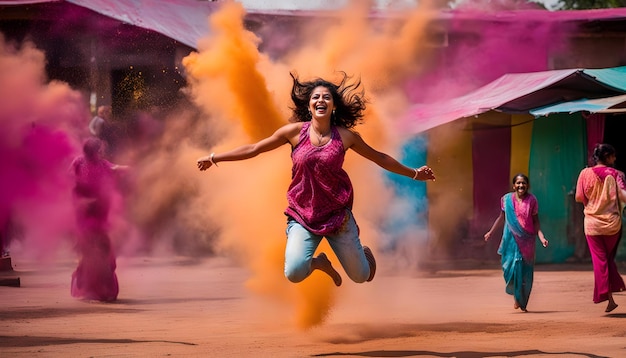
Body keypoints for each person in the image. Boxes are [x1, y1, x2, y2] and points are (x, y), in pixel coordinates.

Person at [197, 72, 435, 286]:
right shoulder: (293, 133)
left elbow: (379, 157)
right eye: (315, 97)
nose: (320, 100)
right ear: (309, 106)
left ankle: (365, 257)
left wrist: (414, 173)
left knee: (361, 276)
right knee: (294, 272)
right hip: (303, 216)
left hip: (337, 216)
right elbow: (255, 148)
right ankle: (320, 263)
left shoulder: (345, 136)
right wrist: (214, 157)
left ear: (333, 107)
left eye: (326, 98)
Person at [70, 138, 127, 301]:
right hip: (85, 214)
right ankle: (90, 286)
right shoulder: (79, 163)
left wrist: (130, 168)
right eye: (98, 150)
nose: (100, 153)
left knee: (101, 249)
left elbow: (115, 168)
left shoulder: (102, 164)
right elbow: (70, 179)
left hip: (99, 213)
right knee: (88, 248)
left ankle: (100, 288)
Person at [484, 173, 549, 312]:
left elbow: (536, 222)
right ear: (514, 185)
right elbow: (501, 217)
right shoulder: (506, 199)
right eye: (518, 183)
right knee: (508, 269)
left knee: (524, 271)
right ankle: (516, 295)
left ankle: (521, 300)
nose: (521, 185)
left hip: (527, 241)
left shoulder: (532, 200)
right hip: (510, 241)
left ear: (528, 185)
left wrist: (541, 237)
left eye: (524, 183)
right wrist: (491, 232)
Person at [575, 143, 626, 313]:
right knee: (607, 259)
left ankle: (606, 294)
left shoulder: (584, 173)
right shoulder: (616, 174)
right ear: (607, 156)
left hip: (592, 225)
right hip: (612, 224)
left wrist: (593, 204)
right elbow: (623, 197)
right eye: (613, 155)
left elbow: (579, 197)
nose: (615, 158)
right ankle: (612, 293)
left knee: (600, 260)